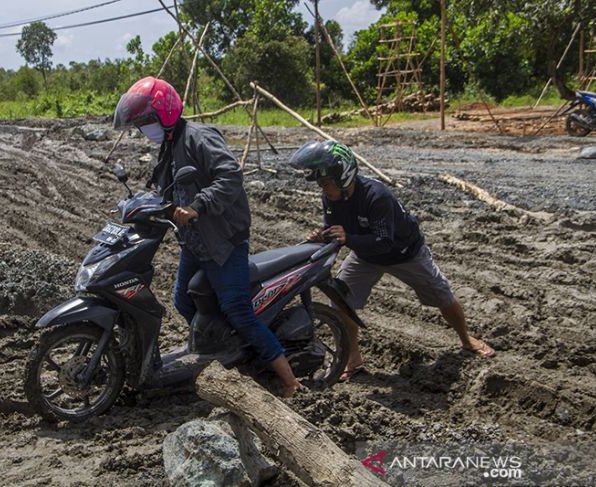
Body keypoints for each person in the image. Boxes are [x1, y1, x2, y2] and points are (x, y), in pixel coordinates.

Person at [113, 76, 303, 397]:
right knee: (183, 300)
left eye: (146, 121)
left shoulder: (198, 137)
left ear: (166, 113)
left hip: (223, 242)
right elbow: (165, 191)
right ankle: (219, 348)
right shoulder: (169, 146)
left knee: (237, 310)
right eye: (141, 124)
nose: (144, 129)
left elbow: (231, 174)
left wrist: (198, 205)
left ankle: (290, 381)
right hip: (195, 241)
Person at [288, 139, 495, 381]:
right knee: (341, 297)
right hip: (365, 255)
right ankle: (353, 359)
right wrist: (322, 237)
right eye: (320, 185)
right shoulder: (331, 199)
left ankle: (466, 339)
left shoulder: (377, 196)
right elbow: (334, 229)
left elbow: (384, 241)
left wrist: (348, 238)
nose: (323, 189)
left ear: (343, 176)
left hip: (404, 253)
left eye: (325, 183)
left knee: (441, 294)